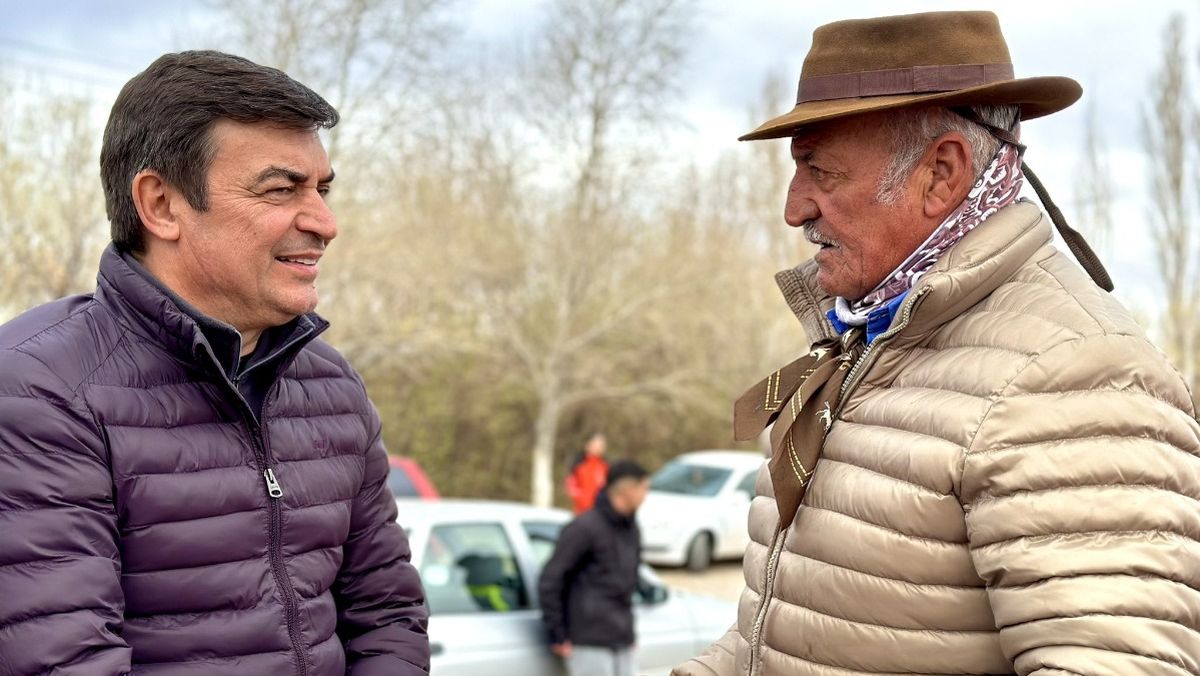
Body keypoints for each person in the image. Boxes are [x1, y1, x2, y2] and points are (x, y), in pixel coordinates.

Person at [674, 11, 1200, 676]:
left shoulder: (1072, 375)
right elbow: (772, 637)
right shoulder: (871, 340)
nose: (794, 208)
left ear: (942, 173)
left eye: (820, 171)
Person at [0, 51, 429, 675]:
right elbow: (63, 661)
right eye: (281, 189)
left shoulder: (332, 387)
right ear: (162, 205)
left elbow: (388, 616)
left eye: (323, 189)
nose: (325, 223)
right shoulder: (38, 392)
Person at [539, 460, 651, 676]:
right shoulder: (584, 528)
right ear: (627, 490)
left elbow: (627, 582)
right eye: (644, 488)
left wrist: (629, 635)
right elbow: (551, 580)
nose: (646, 496)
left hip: (621, 639)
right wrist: (557, 634)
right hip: (588, 641)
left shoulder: (632, 529)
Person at [565, 432, 610, 514]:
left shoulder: (605, 467)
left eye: (602, 445)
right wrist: (584, 502)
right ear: (588, 445)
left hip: (601, 512)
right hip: (582, 512)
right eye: (596, 444)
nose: (599, 448)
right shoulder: (579, 466)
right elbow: (572, 488)